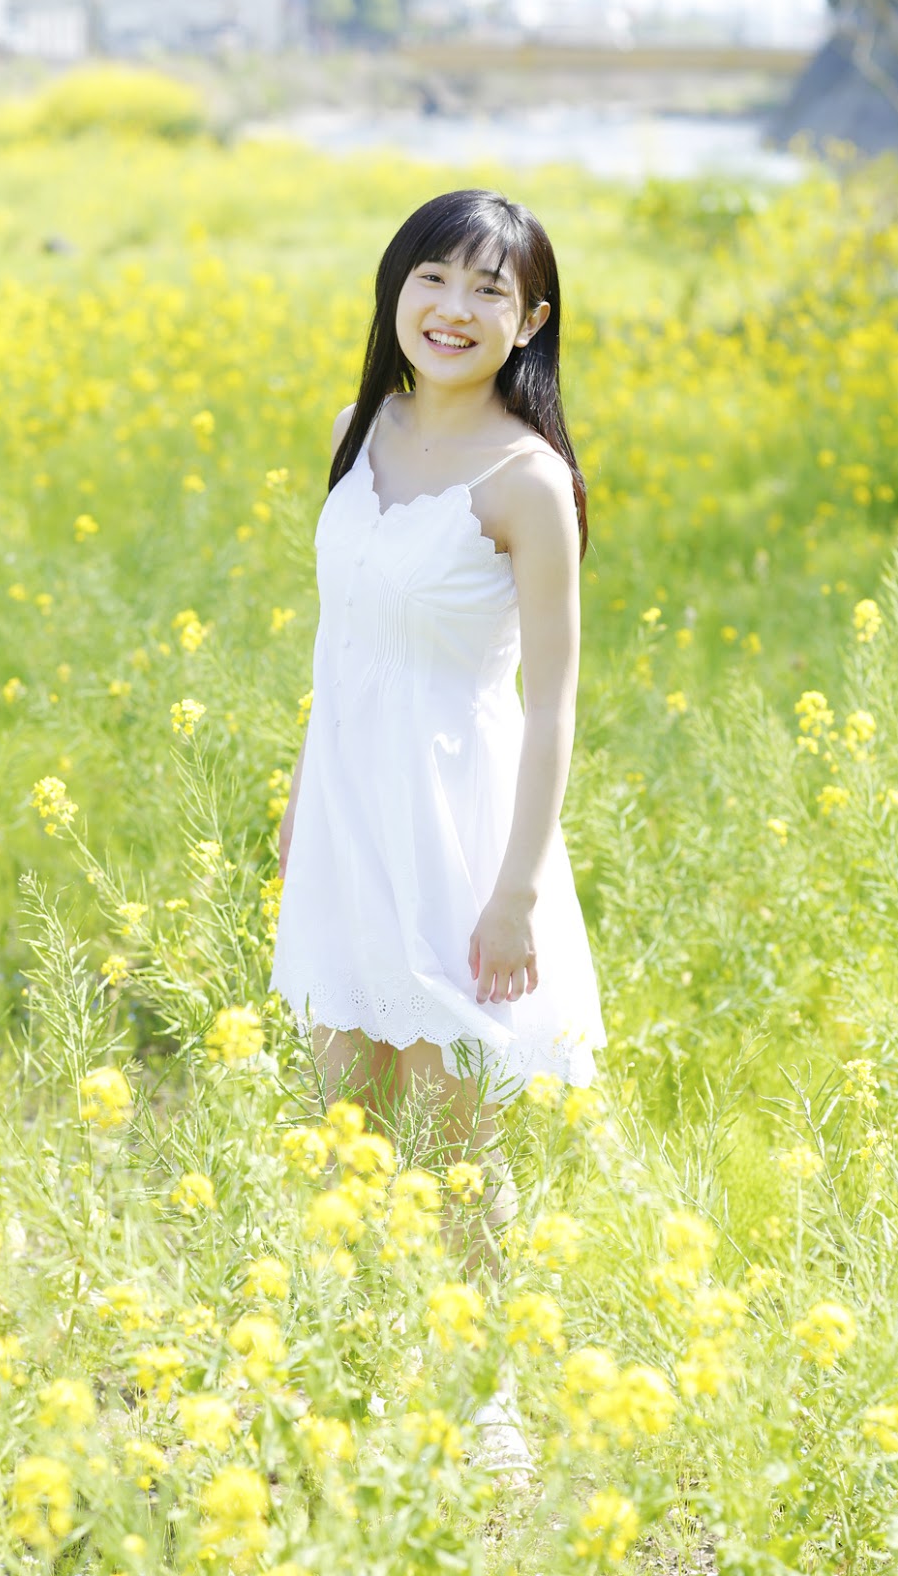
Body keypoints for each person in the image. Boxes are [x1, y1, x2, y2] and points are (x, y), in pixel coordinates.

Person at [269, 187, 608, 1479]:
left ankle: (485, 1397)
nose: (453, 309)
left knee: (452, 1126)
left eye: (487, 290)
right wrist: (301, 798)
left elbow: (554, 700)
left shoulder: (528, 481)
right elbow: (340, 643)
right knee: (340, 1106)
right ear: (395, 289)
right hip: (348, 812)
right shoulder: (355, 430)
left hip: (458, 830)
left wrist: (516, 891)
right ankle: (345, 1369)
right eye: (433, 278)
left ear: (531, 321)